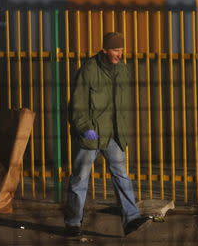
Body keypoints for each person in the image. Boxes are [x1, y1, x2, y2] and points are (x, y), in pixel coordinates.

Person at [64, 32, 151, 237]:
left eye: (121, 49)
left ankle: (131, 219)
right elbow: (77, 105)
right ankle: (73, 223)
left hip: (113, 134)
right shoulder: (89, 70)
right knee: (80, 179)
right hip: (91, 135)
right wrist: (85, 128)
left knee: (121, 176)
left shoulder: (122, 69)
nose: (119, 53)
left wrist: (122, 130)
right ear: (104, 50)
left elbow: (121, 106)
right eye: (115, 49)